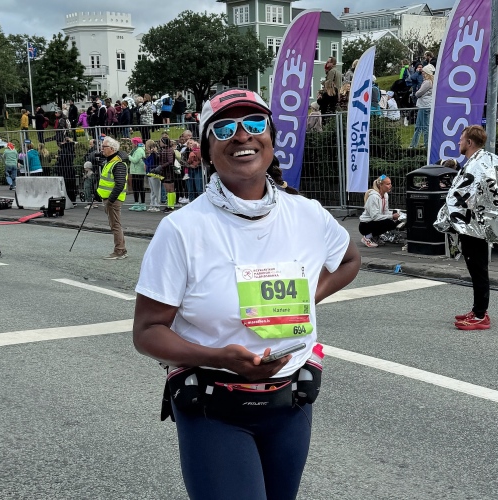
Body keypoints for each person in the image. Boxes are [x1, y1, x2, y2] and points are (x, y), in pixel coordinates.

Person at [132, 88, 361, 500]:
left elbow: (349, 260)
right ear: (206, 151)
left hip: (290, 401)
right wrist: (220, 357)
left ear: (271, 137)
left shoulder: (307, 214)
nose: (242, 136)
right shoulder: (182, 229)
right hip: (213, 407)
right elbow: (147, 331)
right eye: (224, 128)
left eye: (255, 123)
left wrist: (305, 299)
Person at [434, 126, 498, 331]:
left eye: (461, 139)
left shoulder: (478, 164)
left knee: (478, 269)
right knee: (475, 268)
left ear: (469, 142)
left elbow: (476, 193)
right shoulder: (477, 161)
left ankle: (480, 315)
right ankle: (477, 310)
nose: (458, 142)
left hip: (474, 226)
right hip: (470, 224)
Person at [97, 136, 128, 259]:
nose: (102, 149)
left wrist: (110, 200)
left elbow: (119, 184)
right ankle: (121, 249)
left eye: (104, 147)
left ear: (111, 148)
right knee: (115, 224)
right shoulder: (110, 161)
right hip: (110, 198)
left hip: (113, 200)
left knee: (115, 225)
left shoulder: (118, 164)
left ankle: (119, 251)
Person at [359, 175, 401, 247]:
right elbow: (375, 217)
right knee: (388, 223)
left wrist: (397, 214)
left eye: (390, 183)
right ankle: (367, 237)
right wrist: (391, 216)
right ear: (380, 185)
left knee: (396, 221)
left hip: (374, 221)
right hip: (365, 225)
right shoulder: (373, 197)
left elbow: (385, 211)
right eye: (388, 184)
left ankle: (375, 237)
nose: (390, 186)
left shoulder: (385, 195)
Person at [409, 64, 435, 148]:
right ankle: (415, 144)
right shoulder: (431, 81)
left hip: (425, 105)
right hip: (425, 105)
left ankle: (425, 145)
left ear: (427, 72)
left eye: (423, 71)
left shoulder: (427, 82)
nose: (422, 73)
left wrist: (417, 92)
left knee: (424, 126)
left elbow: (418, 93)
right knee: (419, 126)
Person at [128, 137, 147, 211]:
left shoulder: (139, 150)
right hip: (135, 171)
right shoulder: (135, 150)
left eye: (133, 143)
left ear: (136, 143)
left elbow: (135, 160)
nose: (132, 144)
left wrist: (128, 156)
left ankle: (143, 204)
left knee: (140, 187)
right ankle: (136, 203)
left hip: (139, 171)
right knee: (135, 187)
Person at [144, 139, 162, 212]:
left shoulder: (155, 155)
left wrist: (145, 160)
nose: (147, 149)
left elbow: (153, 163)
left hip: (155, 174)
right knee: (152, 190)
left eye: (148, 147)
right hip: (149, 173)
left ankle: (157, 205)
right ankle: (152, 204)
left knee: (156, 190)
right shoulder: (149, 155)